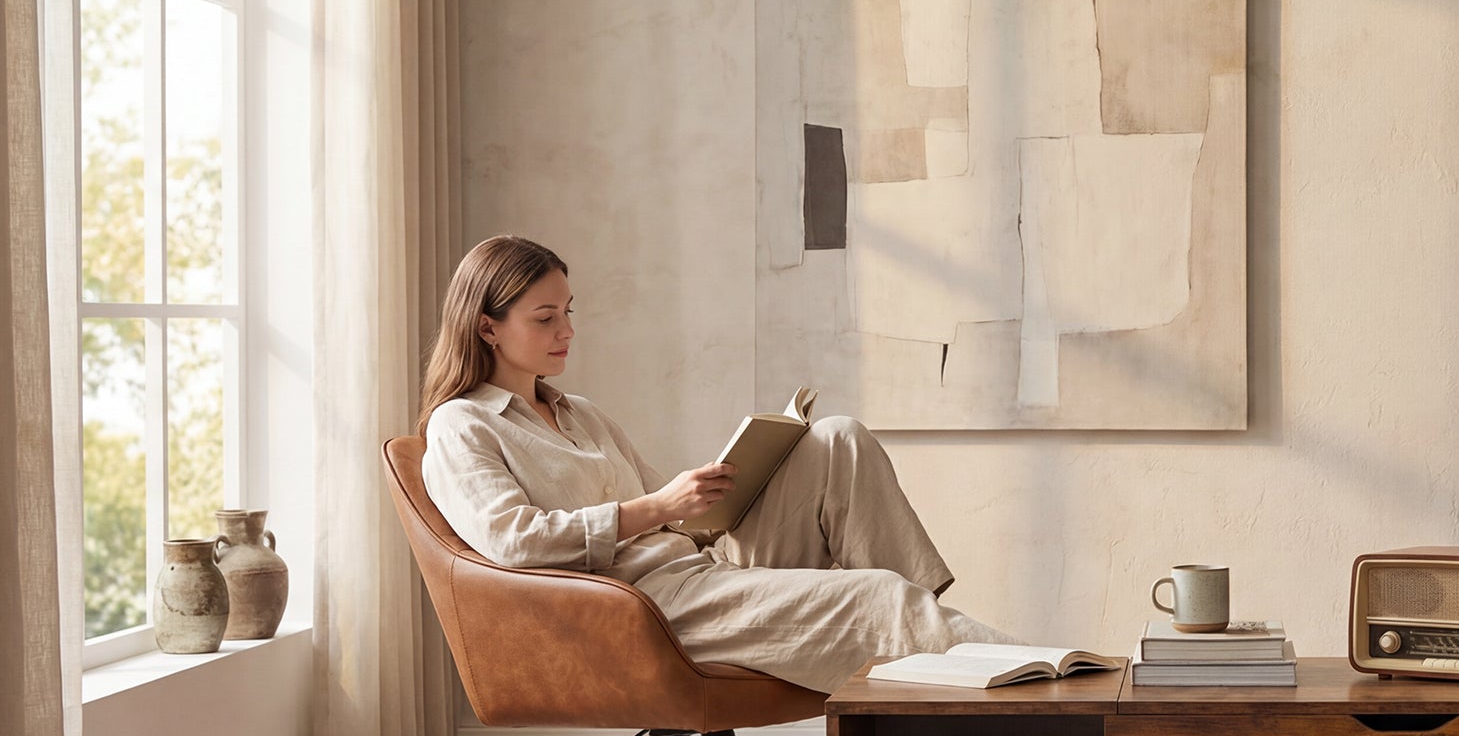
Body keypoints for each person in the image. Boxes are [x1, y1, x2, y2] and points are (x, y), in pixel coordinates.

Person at [417, 234, 1013, 692]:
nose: (567, 330)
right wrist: (658, 506)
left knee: (837, 439)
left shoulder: (581, 415)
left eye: (569, 311)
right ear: (487, 327)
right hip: (640, 606)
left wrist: (721, 487)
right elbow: (512, 543)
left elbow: (672, 521)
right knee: (878, 596)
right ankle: (1039, 674)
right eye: (544, 318)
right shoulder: (461, 425)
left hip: (698, 567)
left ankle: (939, 642)